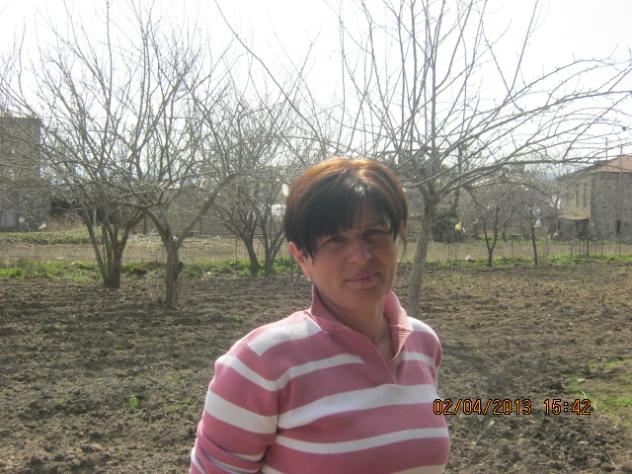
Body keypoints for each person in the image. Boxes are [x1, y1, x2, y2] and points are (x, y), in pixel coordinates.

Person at [190, 158, 450, 473]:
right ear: (300, 257)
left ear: (399, 236)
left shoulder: (423, 344)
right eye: (335, 240)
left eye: (374, 232)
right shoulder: (261, 363)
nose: (361, 256)